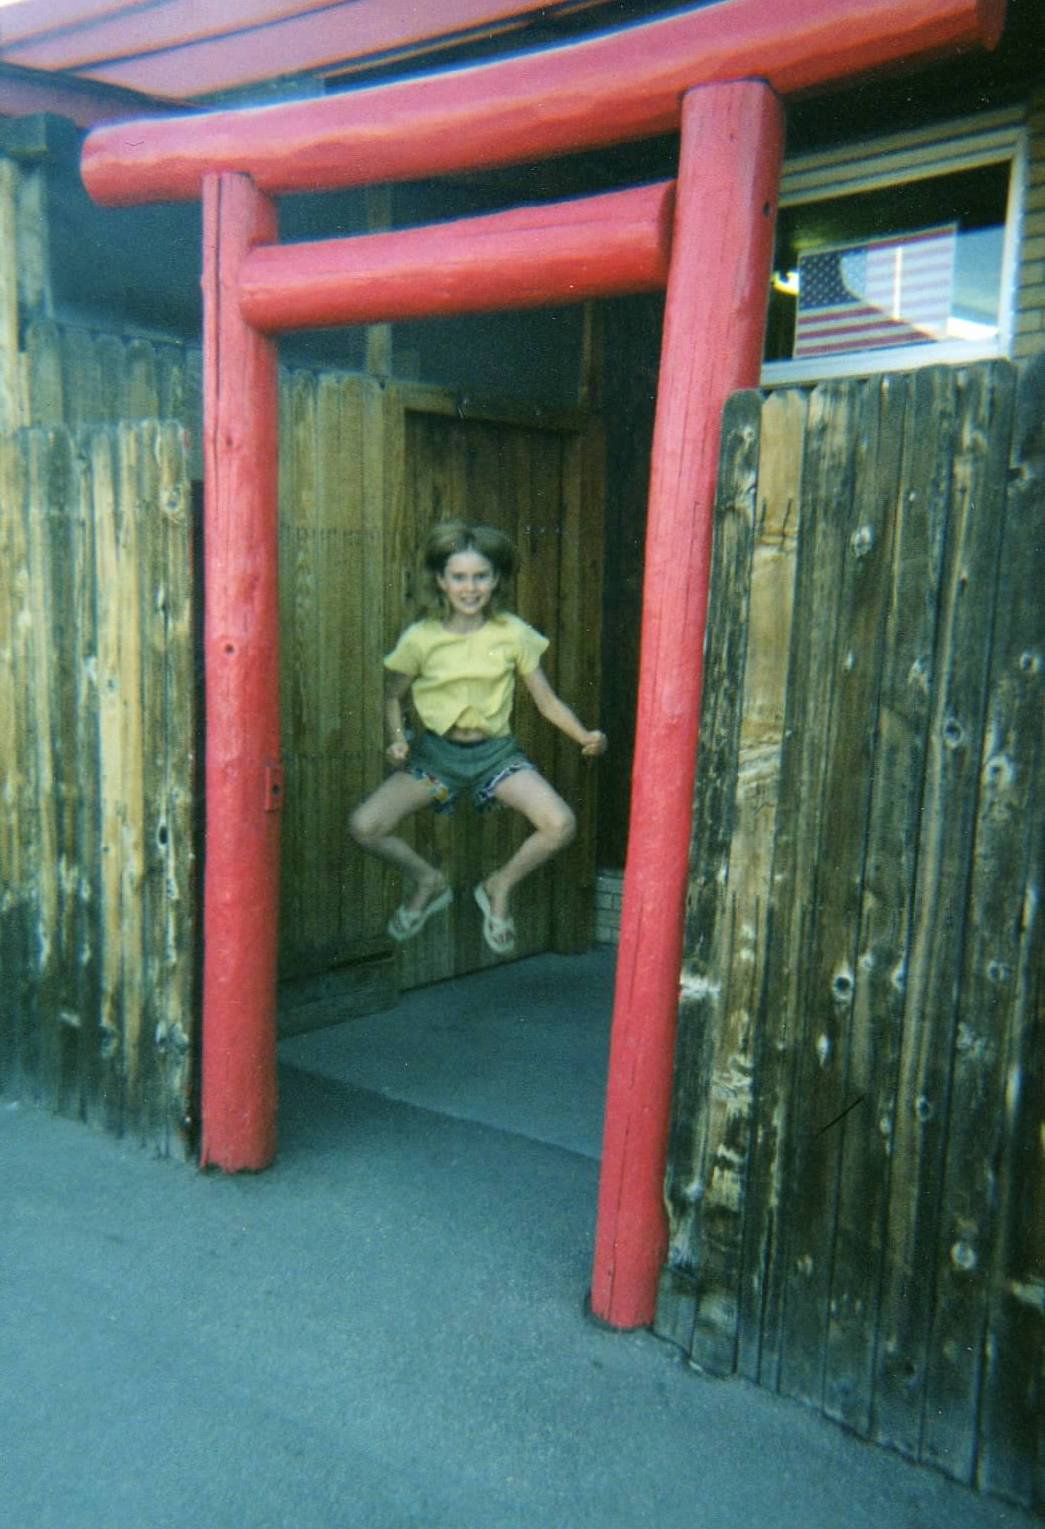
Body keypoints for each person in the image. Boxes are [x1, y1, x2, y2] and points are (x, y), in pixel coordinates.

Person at [349, 520, 607, 957]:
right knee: (365, 826)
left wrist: (584, 734)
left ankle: (499, 886)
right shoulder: (421, 639)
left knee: (560, 824)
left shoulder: (513, 633)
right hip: (435, 757)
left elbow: (546, 702)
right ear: (441, 581)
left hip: (495, 756)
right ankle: (429, 881)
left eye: (481, 576)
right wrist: (396, 739)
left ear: (496, 579)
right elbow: (393, 697)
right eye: (460, 577)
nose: (471, 588)